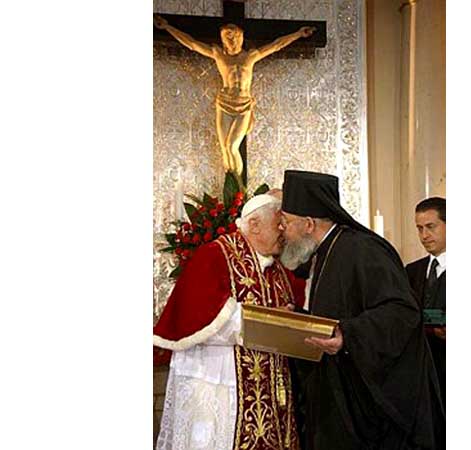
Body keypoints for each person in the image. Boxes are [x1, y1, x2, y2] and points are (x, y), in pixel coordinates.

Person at [278, 170, 445, 450]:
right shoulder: (323, 252)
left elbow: (402, 312)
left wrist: (347, 334)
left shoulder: (361, 249)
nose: (282, 229)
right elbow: (340, 312)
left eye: (286, 221)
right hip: (338, 394)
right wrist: (301, 319)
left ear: (308, 224)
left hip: (368, 407)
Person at [154, 193, 306, 450]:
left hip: (270, 385)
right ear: (255, 224)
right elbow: (207, 319)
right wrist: (272, 323)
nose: (283, 230)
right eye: (277, 223)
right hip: (220, 380)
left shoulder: (279, 268)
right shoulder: (215, 255)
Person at [154, 15, 315, 185]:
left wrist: (298, 34)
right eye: (228, 39)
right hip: (224, 103)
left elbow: (276, 45)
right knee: (224, 150)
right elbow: (192, 44)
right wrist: (167, 27)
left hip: (244, 104)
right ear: (223, 40)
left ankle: (238, 188)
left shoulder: (250, 56)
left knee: (232, 146)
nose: (232, 43)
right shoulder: (218, 54)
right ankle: (231, 193)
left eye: (235, 39)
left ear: (241, 38)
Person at [406, 197, 446, 407]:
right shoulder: (411, 271)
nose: (424, 235)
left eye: (431, 227)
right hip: (420, 374)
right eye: (419, 228)